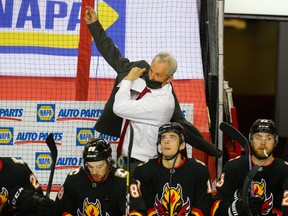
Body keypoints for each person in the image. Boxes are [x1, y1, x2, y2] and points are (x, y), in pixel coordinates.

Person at [84, 6, 222, 160]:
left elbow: (184, 126)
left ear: (169, 79)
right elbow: (112, 54)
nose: (151, 76)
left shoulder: (165, 101)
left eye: (158, 75)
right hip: (122, 155)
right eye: (151, 71)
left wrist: (212, 150)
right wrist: (94, 25)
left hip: (147, 159)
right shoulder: (140, 71)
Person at [211, 119, 288, 216]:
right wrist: (239, 207)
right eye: (258, 137)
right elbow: (214, 208)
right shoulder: (233, 167)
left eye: (268, 138)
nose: (263, 143)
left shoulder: (284, 171)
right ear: (251, 140)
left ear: (275, 142)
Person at [134, 122, 213, 215]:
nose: (166, 141)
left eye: (172, 137)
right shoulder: (144, 170)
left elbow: (202, 209)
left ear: (182, 145)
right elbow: (143, 208)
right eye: (163, 137)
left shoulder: (198, 170)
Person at [54, 138, 147, 216]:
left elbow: (138, 211)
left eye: (99, 166)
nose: (94, 172)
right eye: (90, 166)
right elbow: (60, 210)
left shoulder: (123, 180)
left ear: (109, 162)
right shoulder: (74, 179)